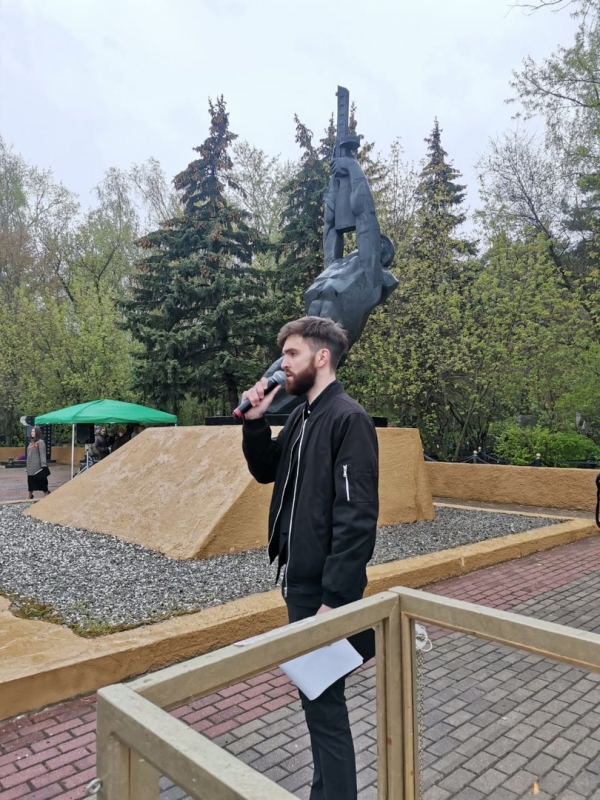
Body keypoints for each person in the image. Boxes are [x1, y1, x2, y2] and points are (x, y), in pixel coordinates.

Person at [240, 316, 379, 800]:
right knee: (317, 701)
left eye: (291, 354)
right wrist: (256, 422)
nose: (282, 364)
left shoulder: (348, 419)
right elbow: (266, 471)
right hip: (297, 583)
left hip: (322, 593)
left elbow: (357, 518)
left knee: (324, 708)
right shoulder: (301, 417)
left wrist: (334, 601)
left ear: (322, 357)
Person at [26, 426, 50, 499]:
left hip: (38, 468)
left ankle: (46, 494)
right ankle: (30, 496)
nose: (32, 433)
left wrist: (44, 465)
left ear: (37, 432)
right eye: (31, 432)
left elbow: (42, 454)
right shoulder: (31, 443)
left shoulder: (41, 442)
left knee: (42, 483)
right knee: (31, 483)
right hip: (30, 468)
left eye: (34, 431)